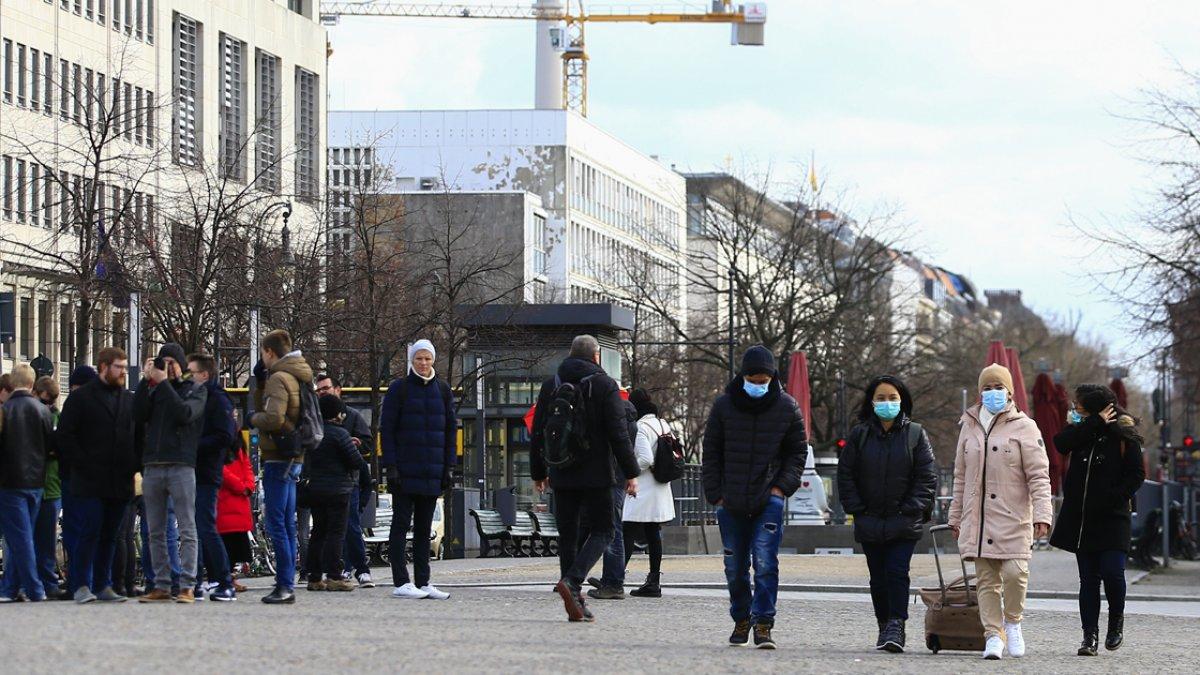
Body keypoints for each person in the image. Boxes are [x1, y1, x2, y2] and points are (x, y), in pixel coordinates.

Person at [702, 345, 807, 649]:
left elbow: (797, 452)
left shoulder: (787, 407)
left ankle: (763, 623)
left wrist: (780, 489)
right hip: (730, 500)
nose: (759, 385)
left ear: (773, 378)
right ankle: (741, 617)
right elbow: (712, 453)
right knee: (734, 567)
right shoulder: (723, 407)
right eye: (754, 379)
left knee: (765, 563)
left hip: (767, 499)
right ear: (743, 376)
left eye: (764, 380)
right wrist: (716, 495)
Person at [948, 363, 1053, 660]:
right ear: (980, 392)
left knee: (1015, 572)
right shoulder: (968, 425)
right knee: (986, 580)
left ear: (1009, 391)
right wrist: (955, 516)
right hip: (978, 519)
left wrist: (1043, 514)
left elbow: (1039, 475)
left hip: (1013, 515)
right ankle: (993, 634)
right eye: (987, 388)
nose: (993, 393)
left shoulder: (1026, 426)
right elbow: (960, 475)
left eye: (998, 388)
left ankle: (1013, 622)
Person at [530, 335, 638, 622]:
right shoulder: (604, 385)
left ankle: (574, 600)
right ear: (596, 356)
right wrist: (630, 473)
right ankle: (573, 582)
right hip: (597, 474)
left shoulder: (551, 385)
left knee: (569, 535)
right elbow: (619, 433)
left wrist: (539, 473)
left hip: (562, 472)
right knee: (605, 530)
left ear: (570, 354)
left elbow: (539, 429)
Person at [837, 375, 937, 653]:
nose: (887, 403)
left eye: (892, 398)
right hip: (869, 517)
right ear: (871, 402)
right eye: (881, 398)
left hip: (903, 519)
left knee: (896, 571)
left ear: (902, 400)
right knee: (877, 576)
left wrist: (910, 508)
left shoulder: (916, 433)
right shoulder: (860, 435)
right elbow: (846, 474)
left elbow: (926, 477)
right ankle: (884, 624)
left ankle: (896, 624)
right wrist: (857, 508)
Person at [1050, 385, 1145, 656]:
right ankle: (1089, 636)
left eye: (1079, 405)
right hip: (1083, 520)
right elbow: (1060, 444)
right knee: (1088, 579)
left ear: (1092, 406)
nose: (1074, 408)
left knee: (1113, 573)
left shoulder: (1125, 434)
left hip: (1114, 518)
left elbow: (1136, 474)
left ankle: (1116, 622)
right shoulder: (1081, 432)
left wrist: (1114, 497)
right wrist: (1094, 422)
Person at [56, 348, 137, 604]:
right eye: (118, 367)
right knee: (89, 531)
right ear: (103, 367)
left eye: (125, 367)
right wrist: (82, 463)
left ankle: (103, 584)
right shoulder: (81, 399)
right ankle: (80, 584)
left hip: (119, 479)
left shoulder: (127, 399)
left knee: (110, 534)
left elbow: (135, 435)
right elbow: (65, 436)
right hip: (90, 479)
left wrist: (135, 465)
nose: (123, 372)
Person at [380, 339, 455, 600]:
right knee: (400, 525)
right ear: (411, 361)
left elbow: (449, 431)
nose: (423, 363)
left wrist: (449, 467)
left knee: (424, 528)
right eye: (418, 359)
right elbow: (386, 430)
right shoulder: (398, 389)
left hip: (431, 471)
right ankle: (401, 581)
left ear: (433, 360)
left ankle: (424, 581)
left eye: (427, 359)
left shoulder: (443, 391)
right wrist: (390, 467)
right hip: (404, 470)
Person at [134, 343, 208, 604]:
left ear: (181, 365)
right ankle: (161, 584)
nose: (165, 369)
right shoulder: (154, 391)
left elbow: (184, 414)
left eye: (171, 363)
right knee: (154, 529)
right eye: (161, 363)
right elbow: (138, 414)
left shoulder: (195, 391)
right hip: (153, 465)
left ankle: (187, 584)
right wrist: (145, 383)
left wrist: (164, 384)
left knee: (186, 527)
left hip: (181, 464)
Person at [250, 329, 314, 605]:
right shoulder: (298, 374)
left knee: (277, 523)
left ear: (268, 352)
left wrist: (254, 417)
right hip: (295, 456)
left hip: (279, 455)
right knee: (287, 522)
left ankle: (284, 584)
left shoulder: (279, 377)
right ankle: (287, 581)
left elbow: (274, 417)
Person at [303, 395, 372, 592]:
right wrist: (353, 446)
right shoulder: (340, 434)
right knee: (336, 533)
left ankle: (314, 576)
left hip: (315, 489)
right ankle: (334, 576)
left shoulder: (313, 434)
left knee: (317, 532)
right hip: (338, 491)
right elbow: (356, 462)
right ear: (337, 414)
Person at [0, 364, 55, 602]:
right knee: (23, 536)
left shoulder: (5, 410)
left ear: (12, 384)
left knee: (20, 538)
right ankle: (10, 587)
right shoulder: (42, 411)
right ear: (32, 384)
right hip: (36, 481)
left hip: (10, 482)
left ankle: (34, 589)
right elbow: (51, 447)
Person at [188, 353, 237, 602]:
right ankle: (199, 580)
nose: (189, 377)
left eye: (192, 372)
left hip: (206, 470)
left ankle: (224, 580)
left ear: (204, 375)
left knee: (205, 526)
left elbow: (225, 435)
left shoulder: (216, 398)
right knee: (196, 527)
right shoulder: (199, 396)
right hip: (197, 468)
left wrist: (193, 445)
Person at [620, 388, 676, 599]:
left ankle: (616, 577)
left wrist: (629, 472)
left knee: (628, 529)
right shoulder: (663, 424)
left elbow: (645, 458)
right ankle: (654, 580)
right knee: (653, 533)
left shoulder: (641, 426)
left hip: (643, 487)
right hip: (661, 486)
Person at [584, 392, 638, 600]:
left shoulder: (617, 426)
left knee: (612, 531)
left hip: (612, 479)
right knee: (613, 530)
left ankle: (614, 582)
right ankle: (610, 578)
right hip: (620, 479)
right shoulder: (630, 423)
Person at [31, 376, 67, 600]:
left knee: (45, 539)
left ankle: (45, 581)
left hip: (50, 486)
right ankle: (38, 581)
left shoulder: (56, 417)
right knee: (36, 538)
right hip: (41, 485)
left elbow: (58, 449)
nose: (48, 406)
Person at [218, 432, 255, 590]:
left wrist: (248, 485)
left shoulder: (239, 445)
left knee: (234, 543)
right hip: (228, 498)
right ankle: (226, 578)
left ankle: (230, 577)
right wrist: (243, 486)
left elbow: (247, 466)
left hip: (238, 499)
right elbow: (222, 471)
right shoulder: (222, 444)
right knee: (228, 543)